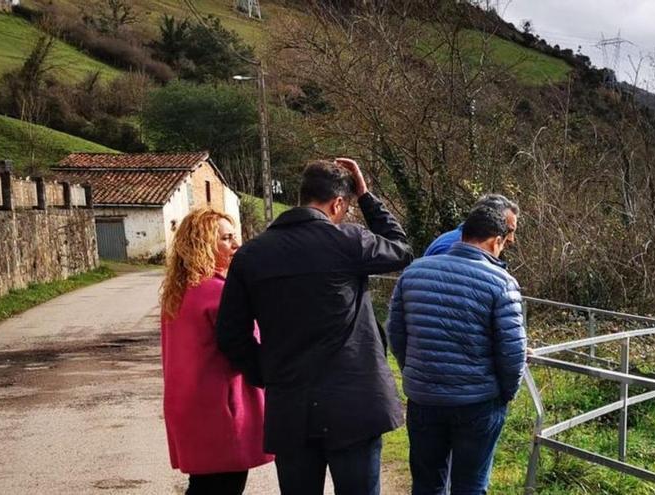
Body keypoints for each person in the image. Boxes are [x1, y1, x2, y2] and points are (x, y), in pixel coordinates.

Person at [216, 158, 413, 495]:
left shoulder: (251, 255)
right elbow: (401, 248)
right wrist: (366, 196)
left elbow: (231, 334)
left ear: (301, 196)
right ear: (338, 203)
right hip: (355, 406)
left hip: (290, 407)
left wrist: (265, 373)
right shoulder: (349, 242)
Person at [387, 204, 527, 495]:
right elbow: (512, 353)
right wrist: (506, 394)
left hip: (424, 400)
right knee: (471, 486)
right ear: (495, 240)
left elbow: (397, 334)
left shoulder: (413, 273)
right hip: (477, 402)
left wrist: (414, 373)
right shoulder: (502, 283)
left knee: (426, 484)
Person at [160, 208, 273, 495]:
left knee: (205, 485)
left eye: (235, 237)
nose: (236, 245)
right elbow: (242, 344)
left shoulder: (180, 290)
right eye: (226, 238)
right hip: (219, 408)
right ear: (204, 245)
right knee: (224, 487)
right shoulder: (218, 291)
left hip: (189, 405)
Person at [423, 194, 519, 256]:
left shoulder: (460, 242)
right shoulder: (454, 248)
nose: (511, 239)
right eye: (507, 230)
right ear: (488, 218)